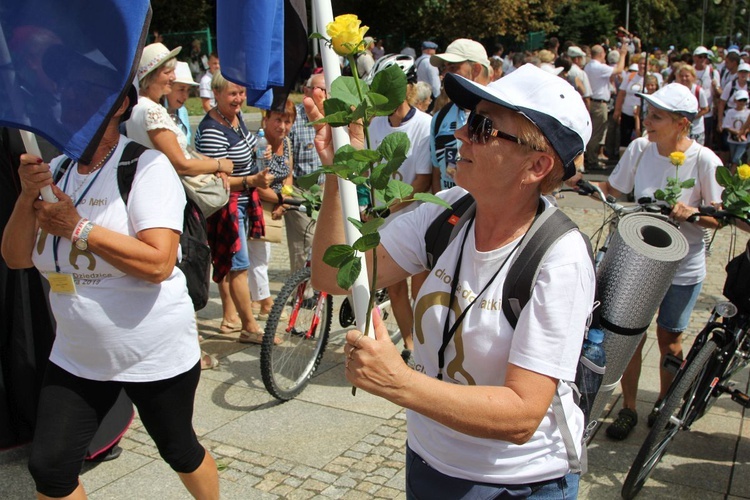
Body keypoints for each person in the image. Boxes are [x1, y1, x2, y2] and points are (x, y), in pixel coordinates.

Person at [306, 63, 595, 497]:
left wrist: (399, 382)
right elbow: (333, 276)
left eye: (482, 127)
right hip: (429, 459)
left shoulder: (560, 258)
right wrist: (339, 175)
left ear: (536, 165)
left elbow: (521, 415)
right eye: (466, 120)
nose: (459, 134)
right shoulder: (449, 209)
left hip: (514, 483)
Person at [1, 52, 219, 498]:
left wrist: (77, 228)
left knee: (178, 448)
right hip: (79, 354)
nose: (70, 98)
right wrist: (26, 198)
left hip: (151, 351)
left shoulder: (145, 166)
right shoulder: (57, 169)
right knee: (50, 467)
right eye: (65, 90)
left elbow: (159, 263)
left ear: (120, 104)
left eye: (85, 89)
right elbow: (17, 258)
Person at [592, 83, 723, 441]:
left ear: (682, 124)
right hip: (638, 261)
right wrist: (572, 180)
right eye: (647, 114)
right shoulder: (639, 149)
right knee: (628, 335)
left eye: (656, 117)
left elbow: (719, 217)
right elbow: (613, 190)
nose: (646, 121)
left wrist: (693, 212)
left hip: (683, 266)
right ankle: (628, 407)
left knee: (670, 339)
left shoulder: (705, 160)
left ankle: (666, 400)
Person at [125, 43, 255, 365]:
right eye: (168, 71)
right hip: (167, 204)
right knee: (183, 274)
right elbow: (180, 163)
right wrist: (219, 165)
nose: (172, 78)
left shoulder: (139, 109)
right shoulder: (152, 111)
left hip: (151, 199)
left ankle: (186, 345)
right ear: (152, 74)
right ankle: (189, 349)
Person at [194, 72, 275, 343]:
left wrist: (257, 158)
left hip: (242, 201)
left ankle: (231, 319)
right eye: (232, 93)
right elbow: (217, 181)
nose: (239, 98)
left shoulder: (235, 118)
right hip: (225, 206)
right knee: (238, 264)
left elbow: (243, 156)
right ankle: (249, 328)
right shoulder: (212, 130)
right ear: (215, 94)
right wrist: (252, 179)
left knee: (233, 264)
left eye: (241, 92)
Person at [367, 55, 433, 366]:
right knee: (394, 289)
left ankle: (426, 347)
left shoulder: (424, 126)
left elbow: (421, 181)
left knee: (419, 291)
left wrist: (387, 207)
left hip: (414, 218)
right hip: (383, 219)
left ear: (407, 89)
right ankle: (409, 346)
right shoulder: (375, 123)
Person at [249, 101, 297, 320]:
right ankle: (266, 304)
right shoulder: (259, 145)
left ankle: (256, 297)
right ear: (266, 119)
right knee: (257, 256)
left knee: (264, 256)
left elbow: (288, 174)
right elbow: (257, 185)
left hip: (276, 204)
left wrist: (284, 201)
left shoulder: (286, 143)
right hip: (255, 204)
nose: (283, 126)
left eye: (288, 121)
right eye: (278, 120)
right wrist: (279, 199)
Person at [428, 38, 492, 193]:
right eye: (445, 68)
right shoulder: (440, 118)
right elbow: (437, 173)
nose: (445, 75)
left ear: (476, 70)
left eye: (453, 67)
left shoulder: (504, 115)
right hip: (452, 213)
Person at [288, 73, 326, 274]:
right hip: (301, 190)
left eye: (327, 90)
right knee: (303, 241)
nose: (323, 95)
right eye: (319, 89)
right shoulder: (295, 118)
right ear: (306, 91)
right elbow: (287, 156)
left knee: (324, 239)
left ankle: (320, 285)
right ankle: (301, 291)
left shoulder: (333, 117)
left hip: (326, 188)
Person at [584, 44, 628, 171]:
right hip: (599, 103)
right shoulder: (598, 67)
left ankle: (591, 157)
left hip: (592, 101)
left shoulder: (589, 66)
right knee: (597, 132)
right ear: (601, 54)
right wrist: (623, 55)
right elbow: (619, 69)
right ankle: (592, 160)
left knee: (593, 131)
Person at [674, 64, 710, 145]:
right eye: (681, 76)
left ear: (693, 77)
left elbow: (705, 109)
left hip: (696, 129)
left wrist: (691, 117)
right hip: (680, 129)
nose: (684, 78)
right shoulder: (676, 90)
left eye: (687, 76)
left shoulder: (698, 91)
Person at [165, 61, 198, 145]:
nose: (185, 96)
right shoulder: (156, 113)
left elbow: (188, 146)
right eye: (181, 89)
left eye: (188, 90)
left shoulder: (182, 111)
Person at [726, 90, 750, 167]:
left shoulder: (748, 112)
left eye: (744, 100)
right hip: (732, 140)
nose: (742, 102)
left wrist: (744, 132)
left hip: (744, 141)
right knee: (734, 158)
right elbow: (726, 126)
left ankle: (731, 177)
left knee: (736, 159)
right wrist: (737, 132)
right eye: (740, 100)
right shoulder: (730, 112)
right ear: (735, 100)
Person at [415, 41, 440, 110]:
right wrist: (438, 97)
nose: (435, 52)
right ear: (429, 50)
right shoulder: (430, 62)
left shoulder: (418, 60)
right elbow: (434, 81)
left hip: (418, 93)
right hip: (428, 95)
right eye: (434, 49)